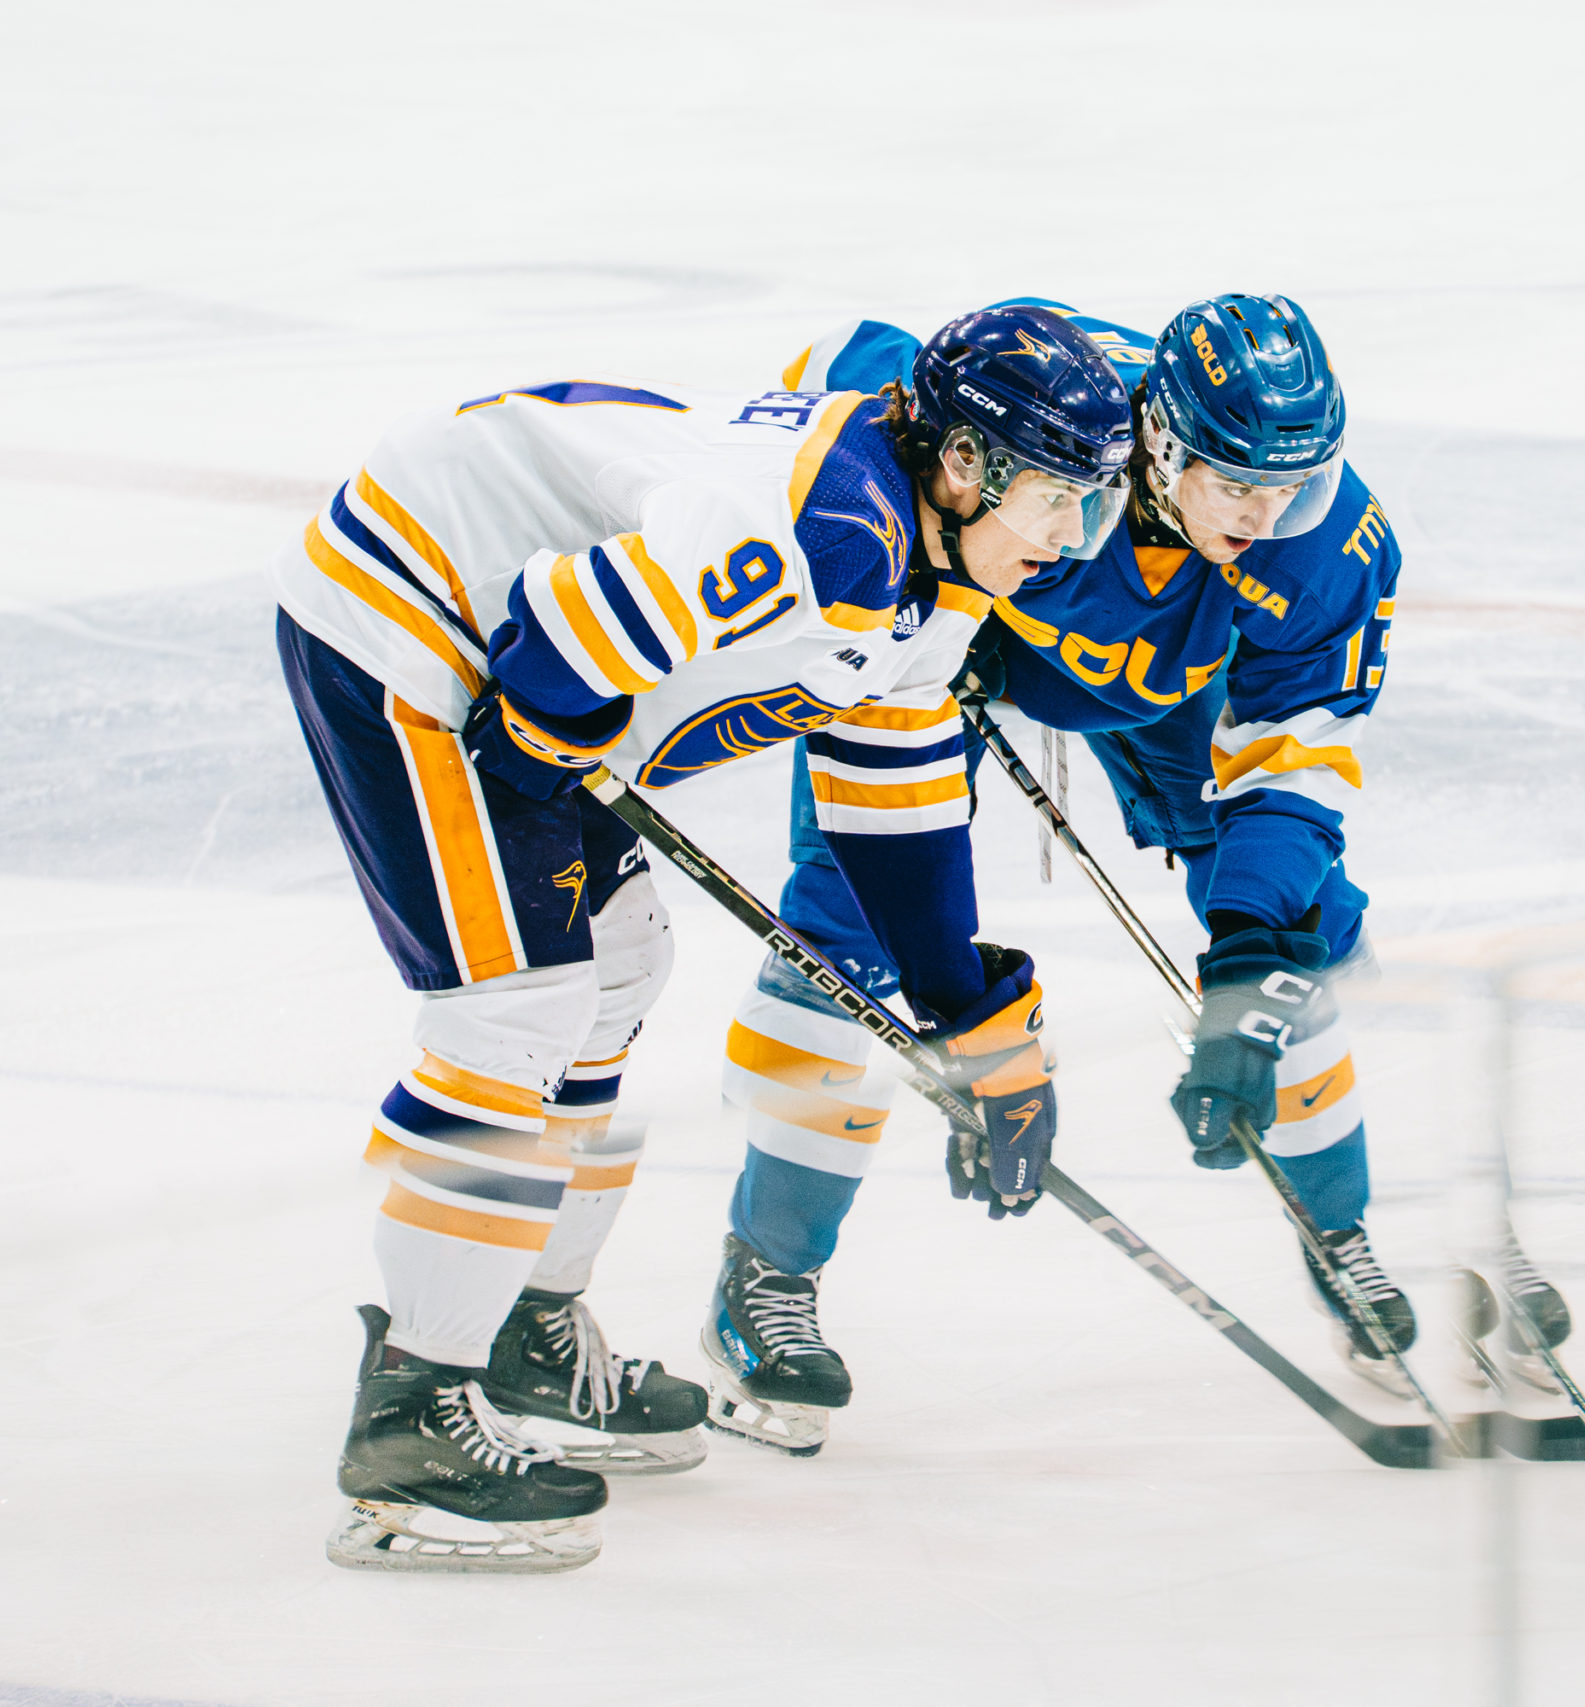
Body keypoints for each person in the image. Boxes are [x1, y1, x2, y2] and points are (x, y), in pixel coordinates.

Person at [272, 305, 1131, 1570]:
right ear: (963, 467)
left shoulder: (933, 573)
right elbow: (571, 629)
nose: (1070, 540)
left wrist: (968, 1015)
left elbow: (887, 800)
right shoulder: (825, 527)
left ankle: (521, 1335)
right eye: (1058, 501)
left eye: (1090, 509)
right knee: (518, 1000)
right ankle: (412, 1416)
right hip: (411, 619)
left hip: (507, 647)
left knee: (621, 965)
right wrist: (546, 730)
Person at [709, 294, 1571, 1418]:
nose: (1266, 519)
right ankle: (767, 1273)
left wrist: (1253, 960)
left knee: (1290, 936)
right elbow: (846, 367)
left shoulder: (1326, 549)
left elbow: (1297, 762)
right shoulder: (1058, 423)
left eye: (1293, 486)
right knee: (850, 930)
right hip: (964, 639)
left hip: (1174, 689)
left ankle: (1341, 1231)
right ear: (1159, 446)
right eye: (1235, 486)